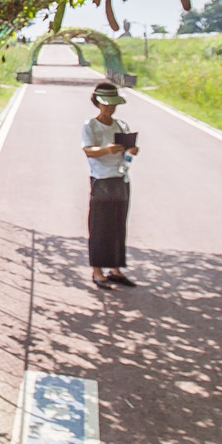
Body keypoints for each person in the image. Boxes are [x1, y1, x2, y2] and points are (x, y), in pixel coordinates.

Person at [81, 81, 139, 288]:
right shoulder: (91, 125)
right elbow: (88, 150)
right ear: (98, 103)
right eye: (106, 104)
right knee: (100, 225)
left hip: (121, 178)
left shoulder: (121, 125)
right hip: (102, 178)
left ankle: (115, 268)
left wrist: (131, 151)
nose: (110, 108)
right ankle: (97, 270)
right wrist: (107, 149)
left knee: (117, 224)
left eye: (113, 104)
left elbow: (128, 150)